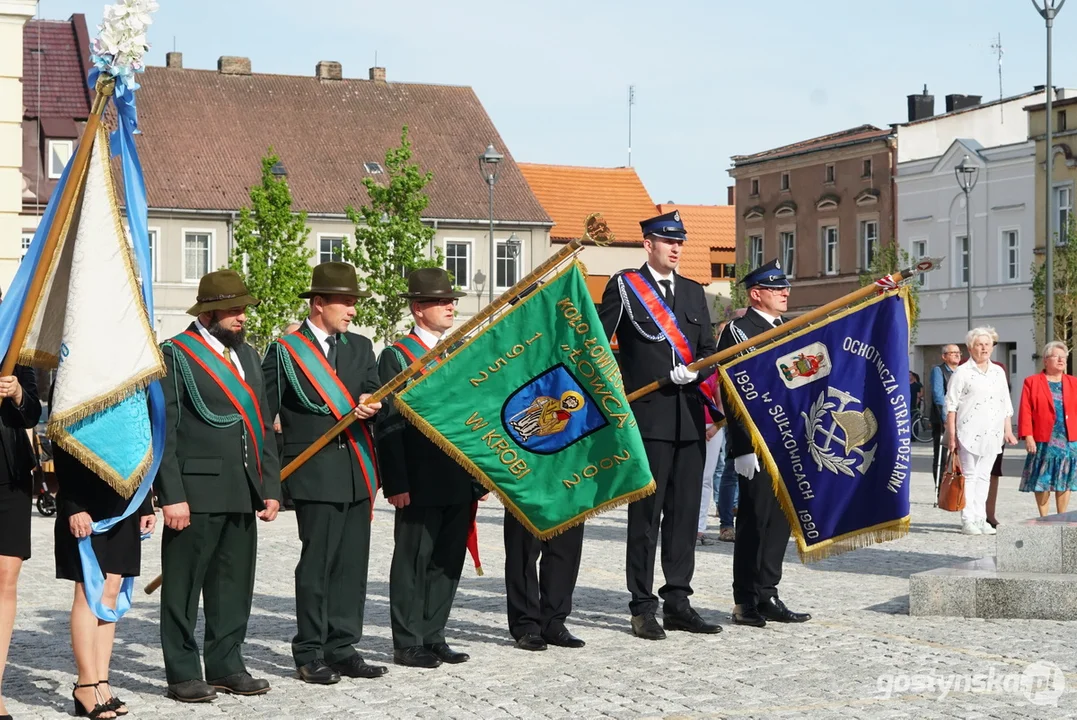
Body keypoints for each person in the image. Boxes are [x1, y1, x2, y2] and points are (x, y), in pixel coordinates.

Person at [155, 269, 281, 703]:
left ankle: (227, 664)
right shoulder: (176, 354)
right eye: (233, 309)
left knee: (233, 585)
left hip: (242, 488)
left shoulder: (247, 356)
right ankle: (183, 671)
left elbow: (262, 424)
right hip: (194, 491)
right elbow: (164, 432)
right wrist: (171, 495)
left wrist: (269, 485)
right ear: (208, 314)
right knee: (183, 587)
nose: (242, 316)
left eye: (243, 308)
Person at [599, 209, 721, 640]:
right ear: (648, 244)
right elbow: (599, 345)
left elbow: (708, 349)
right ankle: (641, 604)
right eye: (668, 241)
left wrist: (699, 371)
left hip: (689, 420)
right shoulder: (626, 286)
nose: (676, 248)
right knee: (646, 518)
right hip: (648, 419)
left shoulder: (692, 292)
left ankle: (678, 601)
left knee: (685, 517)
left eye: (680, 242)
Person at [263, 263, 385, 684]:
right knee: (317, 564)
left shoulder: (361, 347)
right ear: (318, 304)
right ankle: (309, 650)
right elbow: (264, 415)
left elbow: (373, 391)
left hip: (356, 470)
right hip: (313, 473)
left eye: (354, 303)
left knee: (352, 565)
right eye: (345, 302)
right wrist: (268, 480)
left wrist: (372, 403)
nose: (352, 311)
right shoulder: (285, 351)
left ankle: (343, 646)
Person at [376, 268, 484, 668]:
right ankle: (407, 641)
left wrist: (479, 473)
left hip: (457, 475)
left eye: (452, 300)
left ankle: (433, 632)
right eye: (441, 301)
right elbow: (388, 423)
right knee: (412, 561)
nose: (451, 306)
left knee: (446, 560)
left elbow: (474, 414)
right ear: (418, 309)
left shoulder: (459, 350)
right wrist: (396, 482)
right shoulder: (397, 356)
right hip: (418, 478)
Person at [716, 259, 811, 628]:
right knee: (754, 522)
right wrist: (740, 446)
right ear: (756, 294)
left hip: (788, 439)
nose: (785, 293)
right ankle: (746, 601)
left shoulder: (788, 328)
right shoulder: (739, 332)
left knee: (781, 521)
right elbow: (734, 391)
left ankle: (769, 592)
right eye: (776, 288)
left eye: (785, 287)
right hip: (756, 443)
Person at [55, 445, 155, 719]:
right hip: (86, 495)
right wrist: (73, 505)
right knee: (89, 593)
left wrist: (145, 502)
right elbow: (62, 443)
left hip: (125, 498)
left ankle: (101, 681)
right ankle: (85, 684)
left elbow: (139, 443)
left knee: (111, 591)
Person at [0, 355, 42, 720]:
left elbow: (32, 413)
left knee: (5, 579)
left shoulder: (14, 346)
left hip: (10, 475)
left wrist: (16, 393)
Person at [945, 326, 1017, 536]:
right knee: (969, 475)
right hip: (968, 431)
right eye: (979, 344)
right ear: (970, 347)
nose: (984, 348)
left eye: (987, 344)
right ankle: (968, 519)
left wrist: (1008, 430)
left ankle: (980, 517)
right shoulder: (962, 372)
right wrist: (951, 436)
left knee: (984, 476)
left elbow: (1005, 402)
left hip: (993, 432)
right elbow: (951, 405)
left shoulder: (998, 371)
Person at [1017, 341, 1077, 516]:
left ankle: (1061, 516)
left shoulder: (1073, 382)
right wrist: (1028, 435)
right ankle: (1044, 517)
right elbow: (1025, 411)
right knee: (1042, 478)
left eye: (1063, 357)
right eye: (1056, 356)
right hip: (1043, 438)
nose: (1061, 360)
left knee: (1064, 478)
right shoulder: (1032, 382)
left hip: (1068, 438)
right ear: (1045, 360)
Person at [930, 345, 961, 501]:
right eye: (952, 353)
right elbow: (938, 396)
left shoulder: (962, 372)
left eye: (958, 352)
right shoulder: (939, 370)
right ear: (944, 356)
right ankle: (940, 490)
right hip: (943, 419)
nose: (956, 355)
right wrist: (946, 420)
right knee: (942, 456)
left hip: (960, 418)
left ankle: (957, 489)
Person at [697, 371, 722, 546]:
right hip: (688, 424)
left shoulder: (715, 371)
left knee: (706, 479)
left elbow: (722, 404)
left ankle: (700, 528)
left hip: (711, 427)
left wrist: (715, 428)